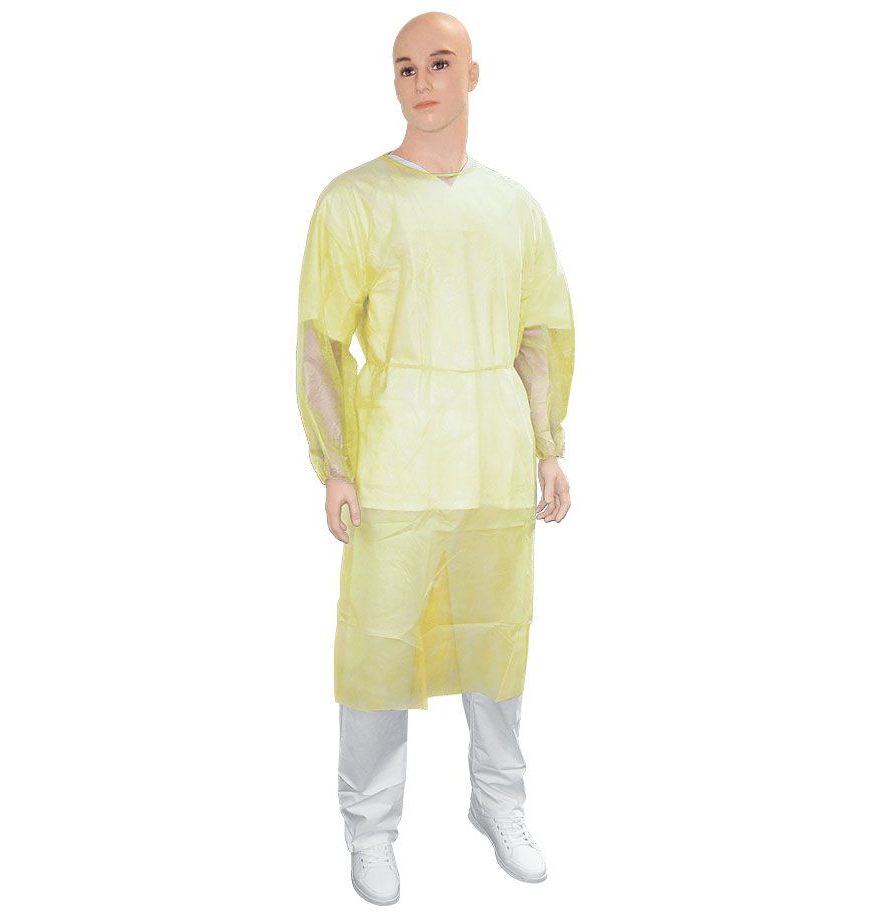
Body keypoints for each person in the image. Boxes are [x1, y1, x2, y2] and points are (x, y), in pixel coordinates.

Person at [296, 12, 575, 906]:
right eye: (406, 67)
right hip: (398, 456)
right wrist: (336, 463)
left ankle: (499, 802)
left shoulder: (514, 207)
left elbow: (541, 331)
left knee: (497, 638)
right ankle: (370, 828)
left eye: (440, 63)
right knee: (379, 644)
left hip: (494, 452)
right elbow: (321, 343)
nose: (422, 81)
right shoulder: (354, 201)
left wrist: (548, 445)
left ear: (473, 76)